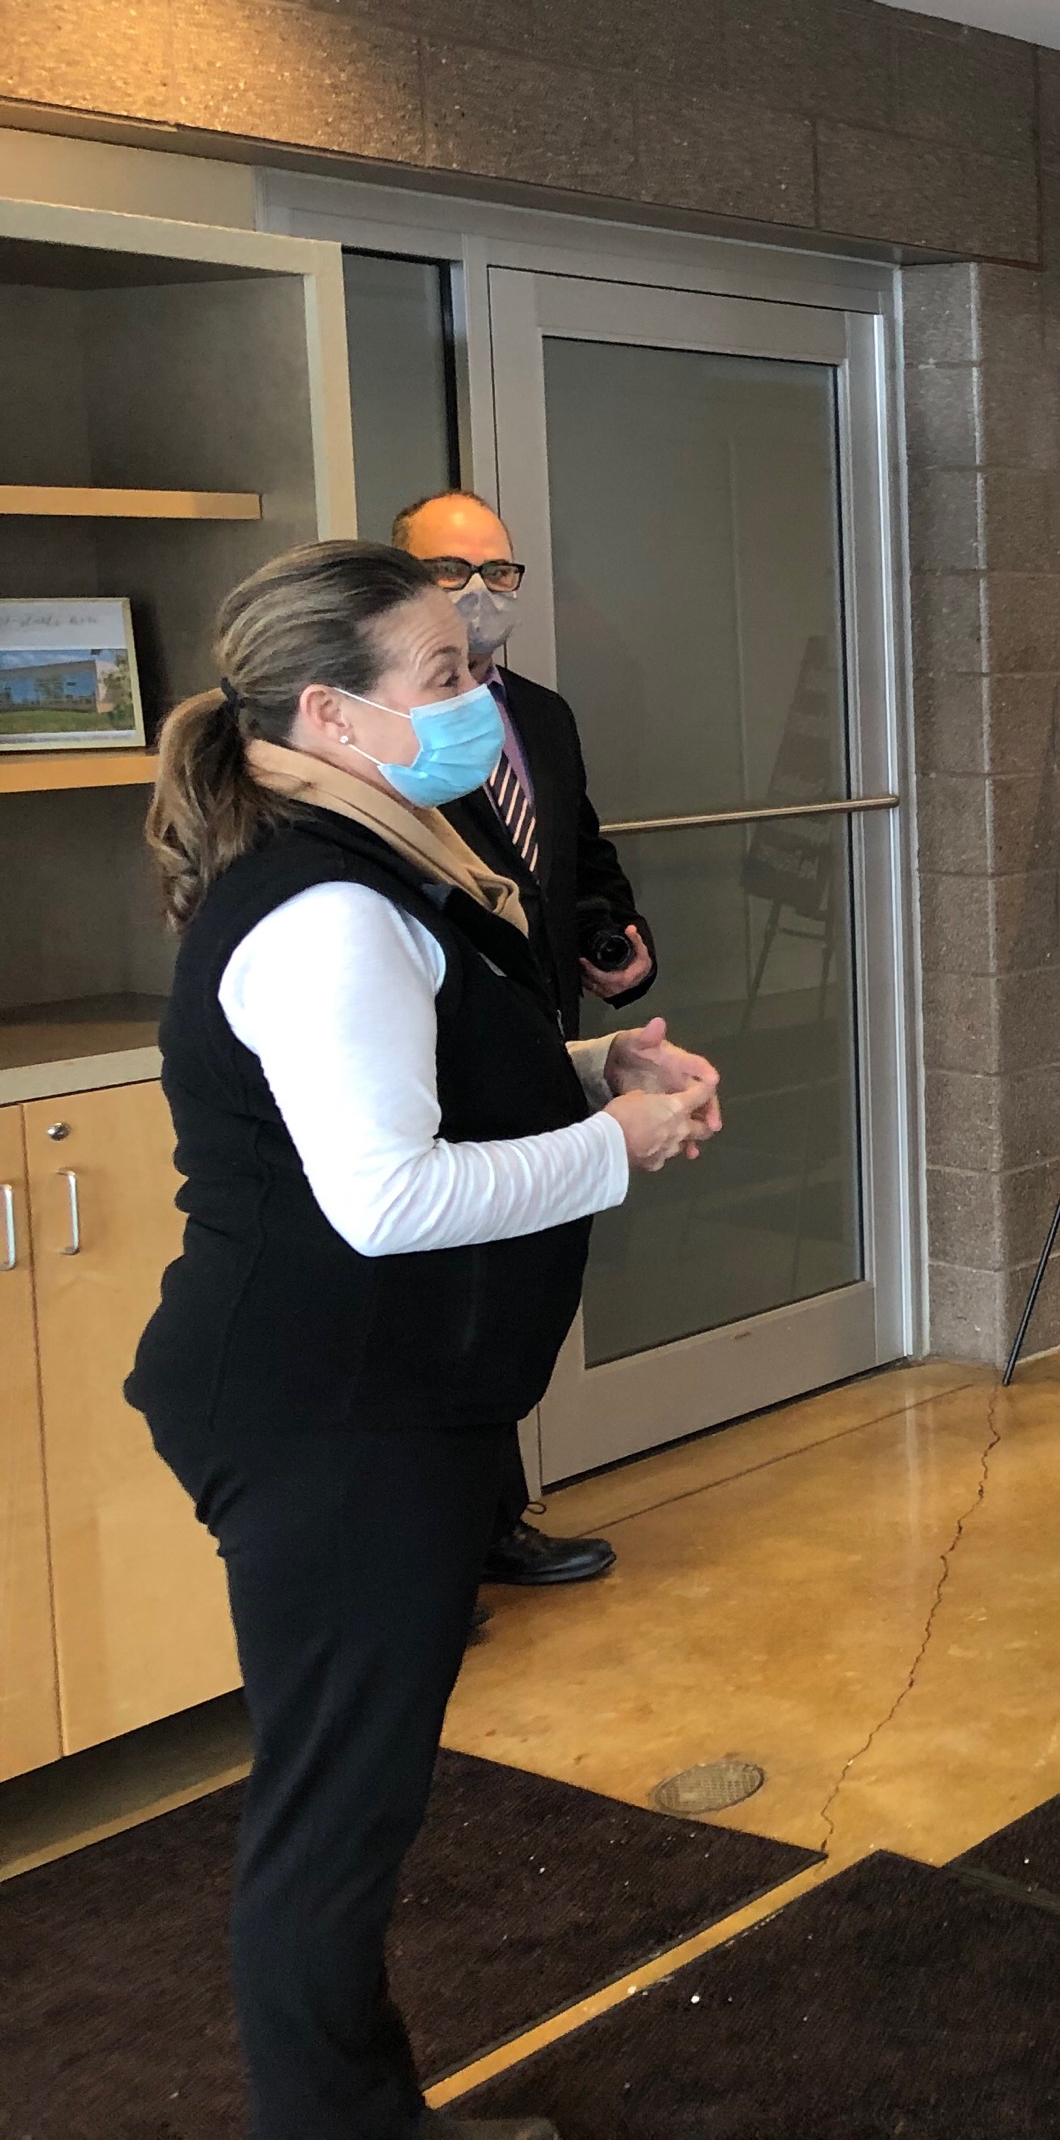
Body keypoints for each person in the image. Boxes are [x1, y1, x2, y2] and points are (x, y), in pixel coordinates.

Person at [130, 540, 722, 2140]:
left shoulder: (380, 856)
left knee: (356, 1810)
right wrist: (625, 1149)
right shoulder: (324, 905)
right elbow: (385, 1198)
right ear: (332, 713)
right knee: (333, 1828)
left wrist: (591, 1075)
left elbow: (431, 1081)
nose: (479, 706)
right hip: (329, 1417)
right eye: (445, 678)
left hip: (388, 1401)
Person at [393, 489, 652, 1593]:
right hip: (439, 1052)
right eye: (452, 574)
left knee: (525, 1285)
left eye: (497, 574)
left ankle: (493, 1516)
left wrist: (617, 940)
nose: (481, 595)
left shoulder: (540, 713)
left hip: (548, 1035)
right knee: (453, 1297)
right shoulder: (385, 733)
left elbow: (576, 852)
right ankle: (459, 1536)